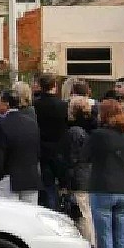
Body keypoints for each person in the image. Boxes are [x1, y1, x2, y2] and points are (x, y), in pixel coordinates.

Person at [86, 99, 124, 248]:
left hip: (102, 187)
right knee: (121, 240)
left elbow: (85, 156)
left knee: (104, 238)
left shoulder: (98, 135)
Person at [0, 90, 41, 204]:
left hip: (8, 178)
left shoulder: (1, 125)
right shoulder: (32, 123)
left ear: (6, 104)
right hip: (30, 177)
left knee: (8, 217)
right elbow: (37, 150)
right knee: (29, 216)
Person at [60, 96, 96, 248]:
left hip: (79, 177)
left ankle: (89, 247)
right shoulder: (90, 128)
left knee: (83, 213)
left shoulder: (74, 132)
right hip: (88, 175)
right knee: (86, 212)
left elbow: (72, 158)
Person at [33, 73, 69, 210]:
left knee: (47, 186)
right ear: (55, 86)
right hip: (59, 149)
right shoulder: (63, 105)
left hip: (42, 149)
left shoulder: (35, 105)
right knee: (61, 184)